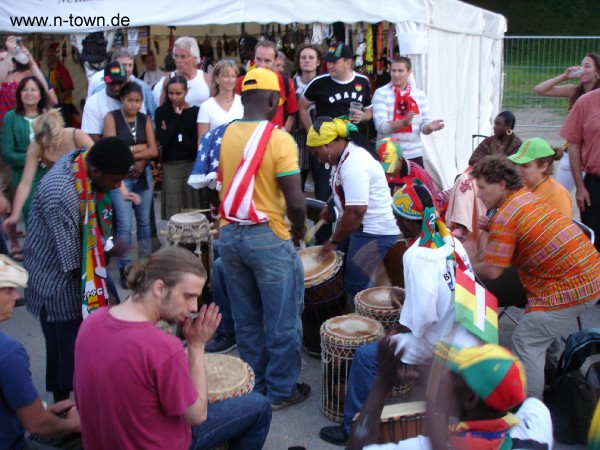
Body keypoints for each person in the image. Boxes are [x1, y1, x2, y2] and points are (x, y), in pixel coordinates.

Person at [319, 181, 481, 446]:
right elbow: (447, 286)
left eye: (398, 217)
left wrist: (394, 332)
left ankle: (352, 426)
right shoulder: (449, 238)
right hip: (465, 330)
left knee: (367, 357)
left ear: (409, 222)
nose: (395, 220)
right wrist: (410, 299)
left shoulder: (417, 255)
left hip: (441, 344)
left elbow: (421, 320)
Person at [188, 68, 309, 410]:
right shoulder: (279, 138)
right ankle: (282, 391)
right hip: (268, 238)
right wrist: (299, 229)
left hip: (229, 238)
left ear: (242, 97)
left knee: (246, 317)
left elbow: (211, 188)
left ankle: (255, 383)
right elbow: (297, 201)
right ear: (274, 100)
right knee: (282, 319)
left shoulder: (220, 136)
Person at [73, 247, 271, 449]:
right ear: (159, 288)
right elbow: (197, 415)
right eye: (188, 296)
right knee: (260, 407)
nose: (194, 307)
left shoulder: (91, 323)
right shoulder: (163, 347)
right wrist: (196, 345)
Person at [467, 154, 600, 398]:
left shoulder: (506, 216)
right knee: (538, 328)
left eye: (483, 188)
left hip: (572, 287)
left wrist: (469, 261)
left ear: (502, 185)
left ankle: (531, 414)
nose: (479, 195)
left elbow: (493, 271)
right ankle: (550, 372)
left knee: (526, 341)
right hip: (585, 274)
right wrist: (493, 230)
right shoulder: (523, 197)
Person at [23, 137, 134, 402]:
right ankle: (63, 415)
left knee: (99, 340)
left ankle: (95, 398)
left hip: (84, 265)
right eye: (114, 180)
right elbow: (75, 265)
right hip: (56, 283)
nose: (118, 187)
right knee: (64, 355)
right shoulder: (61, 195)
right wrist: (111, 252)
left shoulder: (85, 160)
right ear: (95, 173)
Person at [347, 341, 553, 450]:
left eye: (452, 373)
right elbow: (523, 402)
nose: (442, 373)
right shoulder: (537, 420)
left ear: (471, 399)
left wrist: (382, 385)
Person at [307, 116, 399, 307]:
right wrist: (330, 204)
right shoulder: (343, 158)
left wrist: (333, 241)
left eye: (317, 154)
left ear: (329, 145)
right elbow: (343, 189)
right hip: (360, 228)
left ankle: (365, 327)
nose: (318, 159)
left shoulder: (355, 162)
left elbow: (356, 213)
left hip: (374, 230)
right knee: (337, 268)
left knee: (355, 285)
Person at [2, 109, 139, 231]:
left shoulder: (76, 135)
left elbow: (106, 164)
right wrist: (15, 214)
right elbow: (26, 182)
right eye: (46, 145)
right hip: (61, 194)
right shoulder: (36, 146)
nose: (50, 149)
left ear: (60, 132)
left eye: (53, 143)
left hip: (87, 190)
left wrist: (124, 193)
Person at [0, 255, 82, 449]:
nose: (17, 296)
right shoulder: (9, 352)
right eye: (9, 290)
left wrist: (42, 409)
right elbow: (38, 425)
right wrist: (72, 423)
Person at [299, 42, 373, 201]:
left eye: (335, 62)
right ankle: (325, 225)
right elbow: (302, 107)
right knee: (324, 195)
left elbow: (369, 113)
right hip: (326, 147)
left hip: (353, 145)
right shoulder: (319, 82)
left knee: (354, 191)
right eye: (328, 61)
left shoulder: (363, 82)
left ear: (348, 62)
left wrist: (363, 116)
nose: (330, 65)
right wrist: (313, 132)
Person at [103, 81, 158, 287]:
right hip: (121, 178)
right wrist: (137, 151)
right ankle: (125, 266)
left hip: (143, 175)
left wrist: (137, 155)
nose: (134, 105)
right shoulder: (112, 118)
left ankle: (145, 264)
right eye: (130, 100)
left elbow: (153, 150)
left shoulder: (144, 119)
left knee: (144, 222)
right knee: (125, 225)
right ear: (121, 100)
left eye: (138, 101)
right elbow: (112, 148)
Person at [446, 111, 522, 241]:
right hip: (483, 176)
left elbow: (513, 169)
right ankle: (461, 224)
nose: (494, 127)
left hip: (502, 182)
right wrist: (494, 166)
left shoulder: (517, 145)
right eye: (494, 124)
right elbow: (473, 159)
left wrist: (490, 164)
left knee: (477, 186)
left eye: (498, 124)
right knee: (464, 180)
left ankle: (470, 229)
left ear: (508, 126)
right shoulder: (489, 141)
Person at [533, 52, 600, 192]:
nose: (581, 68)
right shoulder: (573, 91)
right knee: (558, 193)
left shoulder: (597, 97)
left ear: (597, 72)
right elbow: (539, 90)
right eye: (581, 65)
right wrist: (564, 76)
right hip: (571, 154)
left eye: (587, 66)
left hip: (591, 157)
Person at [371, 56, 444, 168]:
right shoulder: (381, 94)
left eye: (400, 71)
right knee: (389, 186)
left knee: (414, 185)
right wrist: (403, 122)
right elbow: (381, 127)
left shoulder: (419, 95)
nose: (396, 75)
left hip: (414, 153)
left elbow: (423, 125)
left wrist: (429, 127)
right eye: (393, 71)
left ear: (409, 72)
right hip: (387, 152)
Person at [1, 76, 50, 230]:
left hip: (48, 174)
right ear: (19, 94)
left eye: (33, 89)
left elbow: (58, 145)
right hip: (22, 175)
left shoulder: (49, 116)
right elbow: (6, 152)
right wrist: (31, 160)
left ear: (41, 94)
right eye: (25, 89)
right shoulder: (11, 117)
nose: (29, 93)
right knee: (33, 219)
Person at [154, 75, 201, 220]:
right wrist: (176, 116)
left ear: (186, 92)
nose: (174, 97)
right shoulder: (161, 112)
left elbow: (194, 144)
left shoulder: (196, 112)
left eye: (178, 93)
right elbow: (164, 140)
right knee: (174, 209)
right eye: (171, 93)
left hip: (190, 164)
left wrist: (174, 135)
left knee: (192, 206)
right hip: (170, 165)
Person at [560, 87, 600, 252]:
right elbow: (574, 145)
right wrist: (580, 186)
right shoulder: (586, 102)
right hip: (595, 184)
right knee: (595, 244)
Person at [234, 40, 298, 132]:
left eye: (267, 61)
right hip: (248, 138)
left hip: (275, 139)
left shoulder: (286, 83)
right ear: (254, 58)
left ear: (275, 61)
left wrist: (283, 134)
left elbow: (292, 114)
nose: (262, 65)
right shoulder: (241, 82)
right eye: (258, 59)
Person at [376, 137, 449, 215]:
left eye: (391, 166)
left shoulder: (416, 172)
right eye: (385, 166)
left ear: (400, 157)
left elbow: (434, 201)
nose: (387, 171)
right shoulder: (378, 172)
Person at [507, 137, 572, 217]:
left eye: (525, 166)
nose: (518, 169)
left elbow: (561, 228)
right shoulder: (521, 187)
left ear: (543, 167)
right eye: (517, 164)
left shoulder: (557, 196)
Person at [87, 47, 156, 117]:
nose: (127, 69)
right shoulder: (99, 91)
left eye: (130, 65)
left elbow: (153, 115)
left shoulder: (142, 87)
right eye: (123, 65)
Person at [292, 44, 321, 191]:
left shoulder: (324, 84)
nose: (307, 60)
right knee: (297, 187)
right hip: (298, 140)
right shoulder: (291, 84)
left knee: (322, 187)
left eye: (311, 57)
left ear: (318, 62)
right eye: (303, 57)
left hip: (321, 141)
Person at [155, 36, 212, 108]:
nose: (178, 60)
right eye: (176, 56)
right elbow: (162, 109)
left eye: (183, 56)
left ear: (194, 58)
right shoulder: (169, 79)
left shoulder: (206, 78)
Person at [81, 61, 130, 141]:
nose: (117, 87)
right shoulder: (93, 103)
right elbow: (94, 142)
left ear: (126, 80)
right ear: (105, 81)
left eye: (120, 83)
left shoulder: (134, 97)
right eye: (112, 83)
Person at [197, 59, 243, 140]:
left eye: (233, 76)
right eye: (226, 76)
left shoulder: (243, 103)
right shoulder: (206, 106)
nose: (230, 80)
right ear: (217, 78)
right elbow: (202, 142)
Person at [46, 42, 77, 127]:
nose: (48, 58)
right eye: (47, 56)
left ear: (56, 56)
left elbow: (69, 88)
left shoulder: (61, 69)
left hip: (64, 106)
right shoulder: (51, 70)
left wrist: (59, 101)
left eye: (51, 56)